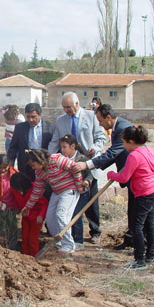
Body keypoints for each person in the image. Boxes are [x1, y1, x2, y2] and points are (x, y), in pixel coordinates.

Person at [72, 104, 134, 249]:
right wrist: (94, 166)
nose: (99, 124)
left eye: (100, 121)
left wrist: (87, 165)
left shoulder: (122, 128)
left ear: (108, 117)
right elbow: (115, 154)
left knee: (136, 211)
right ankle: (131, 240)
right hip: (128, 173)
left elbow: (113, 153)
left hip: (134, 175)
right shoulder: (117, 127)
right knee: (132, 209)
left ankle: (139, 244)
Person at [49, 92, 106, 241]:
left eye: (69, 107)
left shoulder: (91, 116)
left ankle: (95, 231)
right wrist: (49, 158)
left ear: (77, 104)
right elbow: (55, 141)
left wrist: (95, 148)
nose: (66, 110)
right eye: (64, 107)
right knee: (73, 202)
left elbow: (101, 137)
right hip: (69, 165)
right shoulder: (61, 120)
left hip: (88, 163)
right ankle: (74, 233)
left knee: (91, 200)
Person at [106, 126, 154, 270]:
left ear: (131, 141)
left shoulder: (134, 156)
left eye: (124, 142)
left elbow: (124, 178)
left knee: (136, 227)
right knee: (150, 225)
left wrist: (111, 174)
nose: (123, 145)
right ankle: (151, 256)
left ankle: (139, 260)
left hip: (144, 194)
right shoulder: (150, 150)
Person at [22, 148, 84, 254]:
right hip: (57, 192)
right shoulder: (39, 172)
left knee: (61, 215)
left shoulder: (56, 160)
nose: (33, 168)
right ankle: (59, 240)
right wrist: (28, 206)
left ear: (39, 160)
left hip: (69, 190)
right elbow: (37, 190)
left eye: (33, 165)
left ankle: (68, 245)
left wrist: (79, 186)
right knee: (50, 218)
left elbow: (75, 168)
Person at [59, 134, 93, 251]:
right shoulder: (62, 160)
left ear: (73, 146)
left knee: (76, 215)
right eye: (61, 147)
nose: (62, 150)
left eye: (65, 147)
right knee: (67, 215)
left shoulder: (82, 159)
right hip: (68, 192)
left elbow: (89, 174)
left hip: (81, 192)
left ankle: (79, 240)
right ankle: (69, 238)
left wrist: (86, 182)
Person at [7, 102, 54, 180]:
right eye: (28, 117)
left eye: (33, 117)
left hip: (44, 166)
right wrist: (9, 164)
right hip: (25, 166)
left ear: (40, 115)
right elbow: (13, 148)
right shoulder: (20, 128)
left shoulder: (51, 128)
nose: (30, 120)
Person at [10, 172, 48, 257]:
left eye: (18, 188)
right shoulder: (15, 190)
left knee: (33, 239)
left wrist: (41, 215)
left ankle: (34, 257)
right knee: (25, 238)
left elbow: (44, 204)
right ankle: (26, 257)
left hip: (36, 218)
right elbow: (16, 199)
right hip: (26, 217)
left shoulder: (35, 190)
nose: (17, 190)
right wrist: (17, 208)